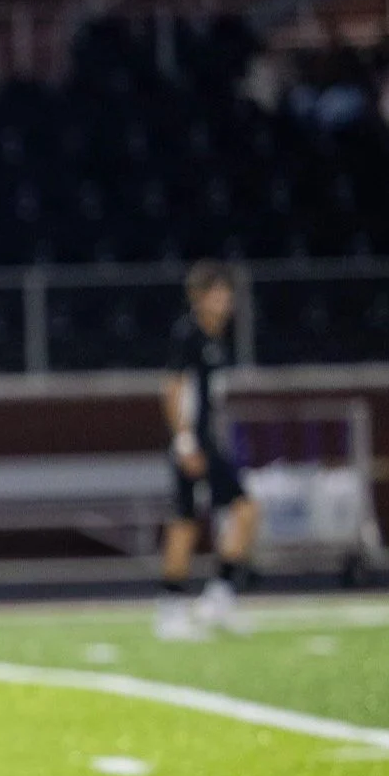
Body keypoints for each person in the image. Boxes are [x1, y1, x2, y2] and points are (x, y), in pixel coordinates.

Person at [156, 260, 256, 639]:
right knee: (184, 524)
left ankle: (220, 595)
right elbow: (173, 389)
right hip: (192, 444)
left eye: (226, 294)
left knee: (245, 510)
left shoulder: (216, 338)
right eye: (215, 293)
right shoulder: (189, 335)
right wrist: (185, 443)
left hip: (209, 443)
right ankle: (170, 609)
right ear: (198, 297)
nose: (223, 301)